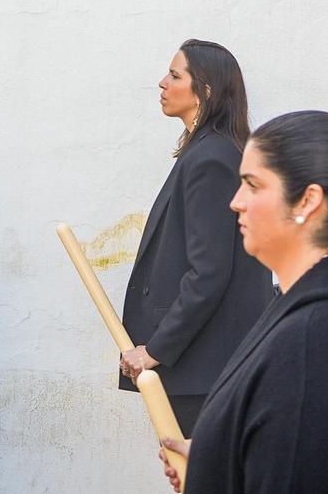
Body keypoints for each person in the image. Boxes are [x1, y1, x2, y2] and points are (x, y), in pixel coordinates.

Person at [153, 110, 328, 494]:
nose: (236, 202)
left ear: (307, 200)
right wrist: (217, 460)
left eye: (253, 186)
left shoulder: (320, 340)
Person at [119, 41, 276, 436]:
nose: (162, 83)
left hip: (203, 367)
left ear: (205, 90)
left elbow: (209, 272)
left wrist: (155, 350)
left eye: (175, 75)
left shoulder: (211, 159)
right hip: (204, 366)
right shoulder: (211, 152)